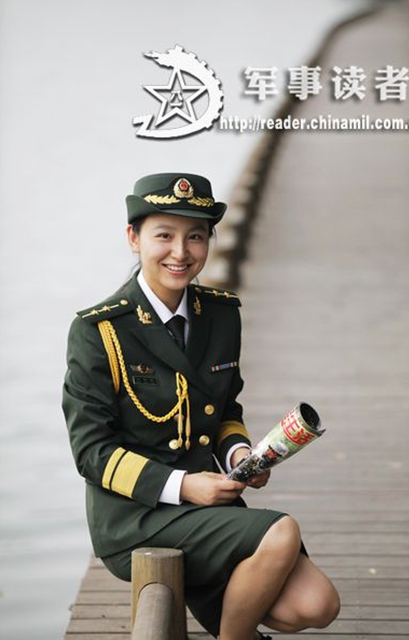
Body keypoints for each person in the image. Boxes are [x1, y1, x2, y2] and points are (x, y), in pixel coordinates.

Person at [62, 172, 340, 640]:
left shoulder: (221, 314)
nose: (180, 252)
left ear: (210, 241)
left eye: (195, 236)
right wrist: (184, 485)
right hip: (136, 517)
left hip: (209, 505)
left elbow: (226, 408)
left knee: (316, 605)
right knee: (281, 530)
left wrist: (238, 456)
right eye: (163, 236)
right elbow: (91, 453)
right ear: (133, 237)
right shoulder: (99, 331)